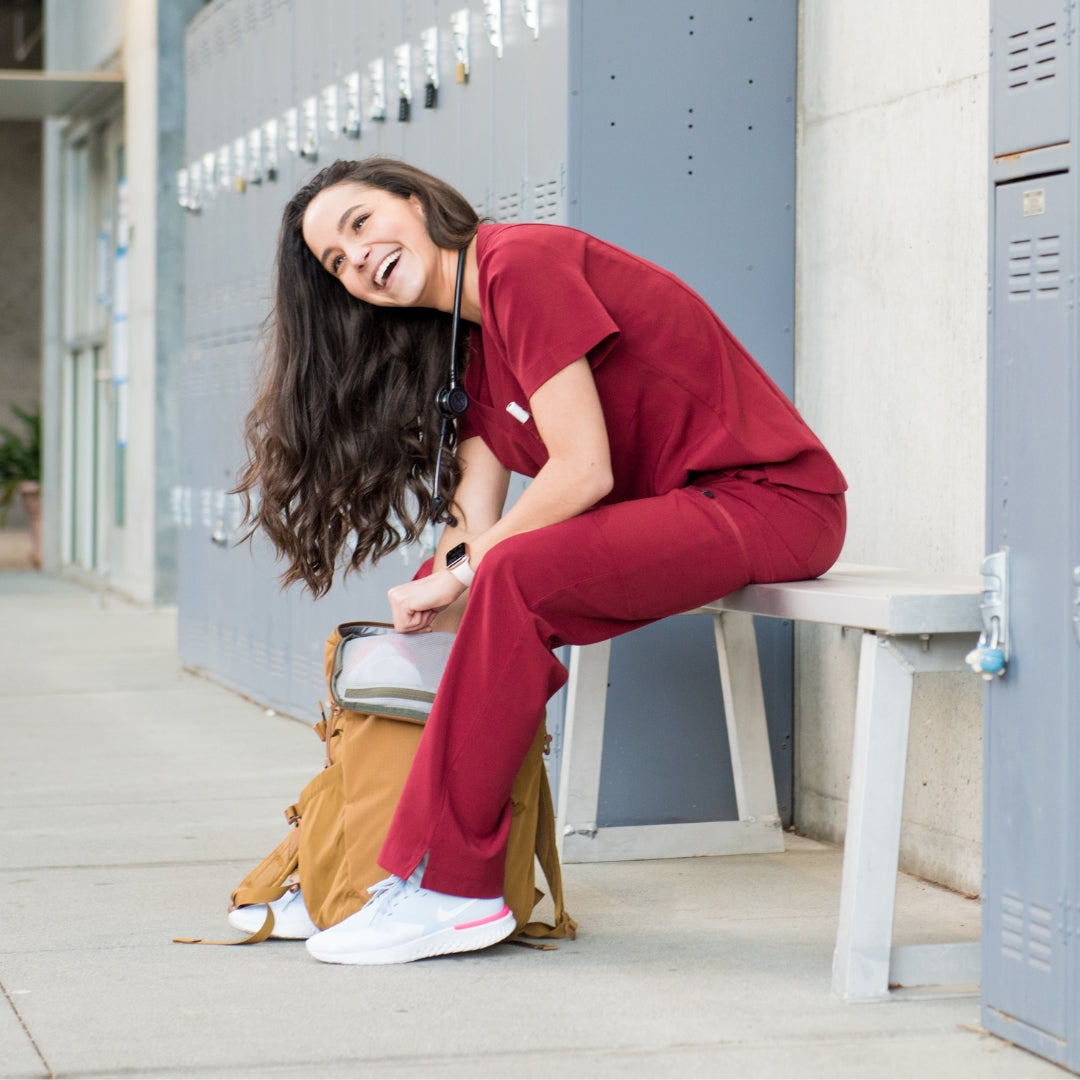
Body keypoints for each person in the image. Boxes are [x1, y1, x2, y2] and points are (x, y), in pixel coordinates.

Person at [234, 156, 847, 966]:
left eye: (360, 224)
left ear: (414, 203)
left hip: (770, 501)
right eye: (337, 265)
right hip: (682, 514)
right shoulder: (470, 343)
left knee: (510, 580)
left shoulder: (520, 263)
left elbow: (582, 470)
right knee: (434, 599)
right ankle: (342, 868)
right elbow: (473, 517)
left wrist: (471, 569)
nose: (359, 261)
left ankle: (455, 888)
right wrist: (441, 582)